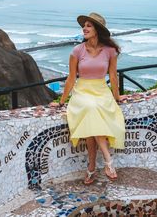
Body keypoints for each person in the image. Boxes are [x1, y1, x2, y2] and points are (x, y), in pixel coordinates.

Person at [51, 12, 125, 184]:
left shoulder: (110, 51)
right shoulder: (77, 51)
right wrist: (61, 101)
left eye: (89, 25)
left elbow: (113, 77)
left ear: (97, 29)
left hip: (101, 91)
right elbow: (71, 78)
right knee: (91, 109)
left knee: (91, 124)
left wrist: (117, 96)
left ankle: (91, 167)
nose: (84, 28)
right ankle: (108, 161)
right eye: (84, 25)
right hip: (82, 92)